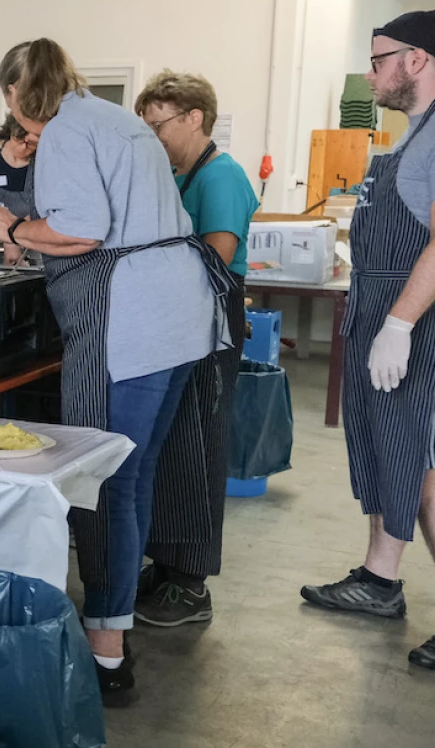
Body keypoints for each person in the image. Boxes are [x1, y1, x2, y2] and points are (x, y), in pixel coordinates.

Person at [0, 39, 234, 704]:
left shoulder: (63, 130)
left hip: (133, 321)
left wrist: (14, 228)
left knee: (105, 483)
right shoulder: (116, 118)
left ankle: (107, 657)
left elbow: (83, 230)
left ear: (15, 94)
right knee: (134, 476)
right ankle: (110, 626)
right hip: (180, 313)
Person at [301, 11, 435, 671]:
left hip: (432, 318)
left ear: (416, 59)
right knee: (390, 446)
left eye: (379, 58)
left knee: (423, 459)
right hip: (391, 312)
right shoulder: (420, 129)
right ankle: (380, 581)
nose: (371, 72)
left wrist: (398, 325)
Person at [132, 71, 259, 627]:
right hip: (182, 319)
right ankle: (167, 564)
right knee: (173, 443)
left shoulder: (221, 177)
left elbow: (217, 252)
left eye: (158, 125)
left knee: (199, 443)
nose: (153, 137)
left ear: (194, 119)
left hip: (211, 318)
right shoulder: (183, 177)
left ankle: (192, 583)